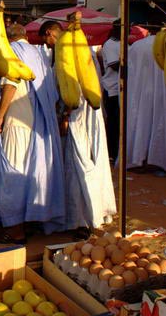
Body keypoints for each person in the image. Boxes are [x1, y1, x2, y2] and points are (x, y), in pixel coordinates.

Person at [0, 24, 65, 243]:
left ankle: (15, 229)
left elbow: (10, 83)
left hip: (16, 120)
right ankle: (28, 221)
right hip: (36, 121)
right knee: (30, 172)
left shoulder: (12, 52)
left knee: (11, 174)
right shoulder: (36, 53)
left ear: (7, 38)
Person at [40, 22, 116, 235]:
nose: (47, 45)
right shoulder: (84, 52)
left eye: (46, 41)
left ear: (50, 34)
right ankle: (90, 213)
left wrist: (65, 115)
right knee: (88, 162)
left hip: (77, 118)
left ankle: (81, 220)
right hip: (88, 115)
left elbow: (71, 92)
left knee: (78, 166)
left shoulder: (68, 53)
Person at [126, 32, 166, 174]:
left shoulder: (136, 46)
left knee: (142, 125)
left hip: (141, 92)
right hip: (164, 91)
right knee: (161, 124)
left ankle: (141, 158)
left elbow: (129, 69)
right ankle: (160, 160)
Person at [100, 20, 121, 161]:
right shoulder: (110, 44)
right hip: (111, 88)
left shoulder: (123, 43)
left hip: (120, 89)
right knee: (113, 122)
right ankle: (111, 153)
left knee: (120, 123)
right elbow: (114, 66)